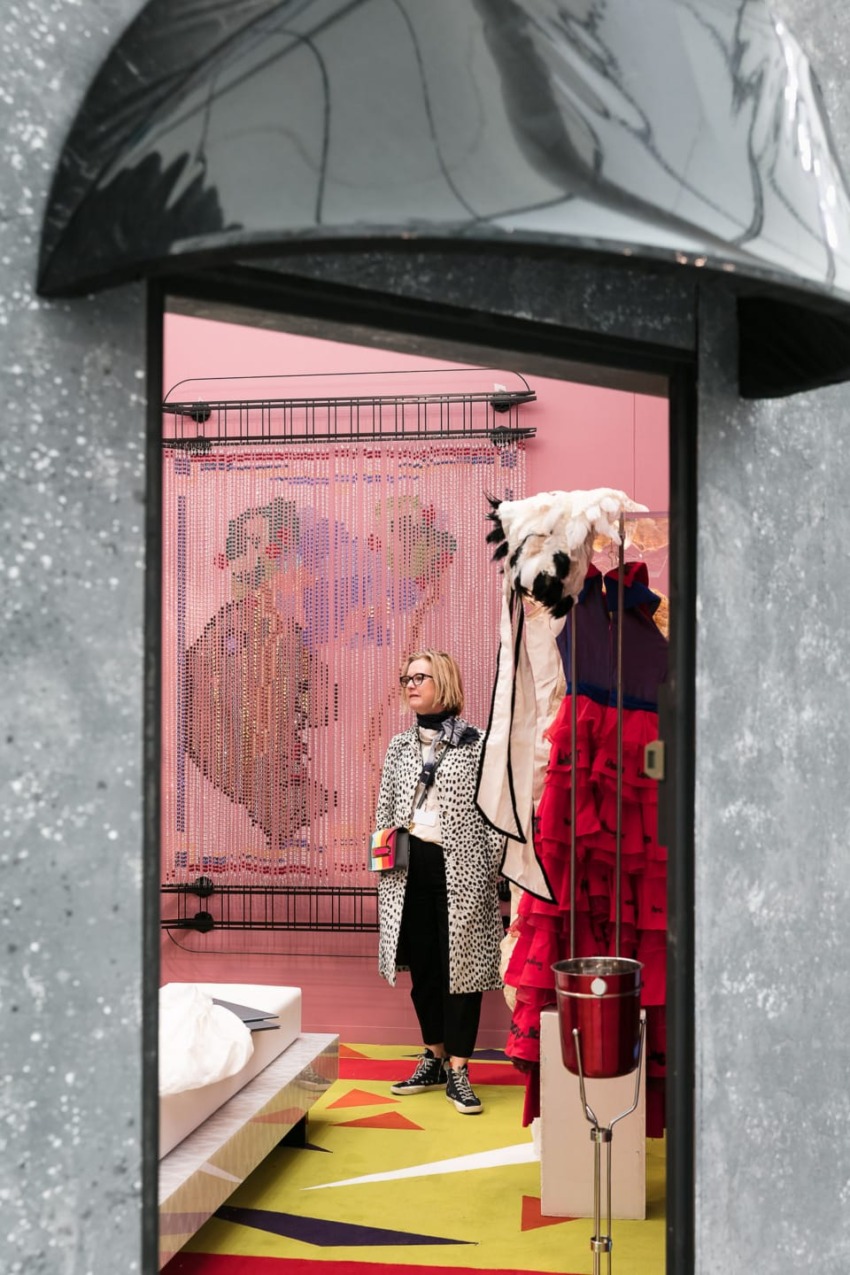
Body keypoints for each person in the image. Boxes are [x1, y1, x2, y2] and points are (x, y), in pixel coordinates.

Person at [374, 649, 505, 1114]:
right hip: (410, 868)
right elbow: (386, 810)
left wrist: (490, 866)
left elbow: (495, 812)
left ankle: (460, 1071)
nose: (410, 684)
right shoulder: (398, 747)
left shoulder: (477, 743)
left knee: (461, 971)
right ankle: (433, 1056)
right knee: (425, 969)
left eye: (420, 677)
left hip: (462, 870)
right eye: (406, 677)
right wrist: (384, 869)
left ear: (443, 683)